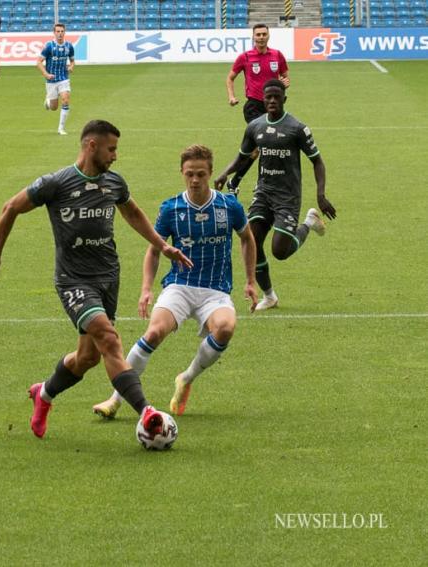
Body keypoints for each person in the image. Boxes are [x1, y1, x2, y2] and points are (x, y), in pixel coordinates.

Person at [0, 119, 193, 441]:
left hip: (108, 276)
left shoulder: (114, 184)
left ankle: (45, 394)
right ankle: (148, 413)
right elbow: (10, 207)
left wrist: (161, 245)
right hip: (73, 280)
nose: (115, 156)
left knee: (88, 357)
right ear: (91, 146)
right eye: (111, 149)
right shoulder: (56, 183)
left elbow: (132, 213)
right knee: (109, 339)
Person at [92, 145, 257, 420]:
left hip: (215, 290)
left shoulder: (229, 206)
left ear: (210, 173)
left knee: (226, 328)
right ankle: (115, 399)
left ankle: (186, 378)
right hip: (179, 285)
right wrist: (146, 288)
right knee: (154, 332)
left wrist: (250, 280)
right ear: (181, 172)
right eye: (190, 174)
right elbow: (154, 250)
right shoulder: (171, 209)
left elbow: (247, 238)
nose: (195, 180)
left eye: (201, 174)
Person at [214, 79, 336, 311]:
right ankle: (269, 296)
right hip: (263, 193)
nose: (271, 101)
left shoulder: (297, 128)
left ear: (284, 99)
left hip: (288, 197)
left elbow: (317, 161)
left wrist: (320, 194)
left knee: (280, 251)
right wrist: (224, 173)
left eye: (276, 97)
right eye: (267, 97)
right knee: (252, 240)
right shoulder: (255, 127)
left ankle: (308, 223)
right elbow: (243, 157)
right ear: (263, 99)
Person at [224, 23, 290, 194]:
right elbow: (230, 78)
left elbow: (285, 77)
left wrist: (285, 84)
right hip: (253, 107)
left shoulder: (277, 55)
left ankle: (236, 182)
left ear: (268, 36)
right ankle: (261, 183)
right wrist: (231, 96)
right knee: (262, 145)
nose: (261, 37)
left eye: (264, 34)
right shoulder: (245, 57)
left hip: (273, 108)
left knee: (261, 148)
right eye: (258, 34)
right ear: (253, 37)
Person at [37, 23, 75, 136]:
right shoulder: (49, 46)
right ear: (54, 33)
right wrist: (46, 74)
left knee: (66, 99)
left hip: (64, 78)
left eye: (62, 31)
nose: (60, 34)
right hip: (51, 80)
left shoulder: (69, 46)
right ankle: (48, 103)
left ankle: (61, 128)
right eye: (57, 31)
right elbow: (38, 62)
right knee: (54, 107)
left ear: (65, 32)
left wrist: (72, 66)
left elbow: (72, 60)